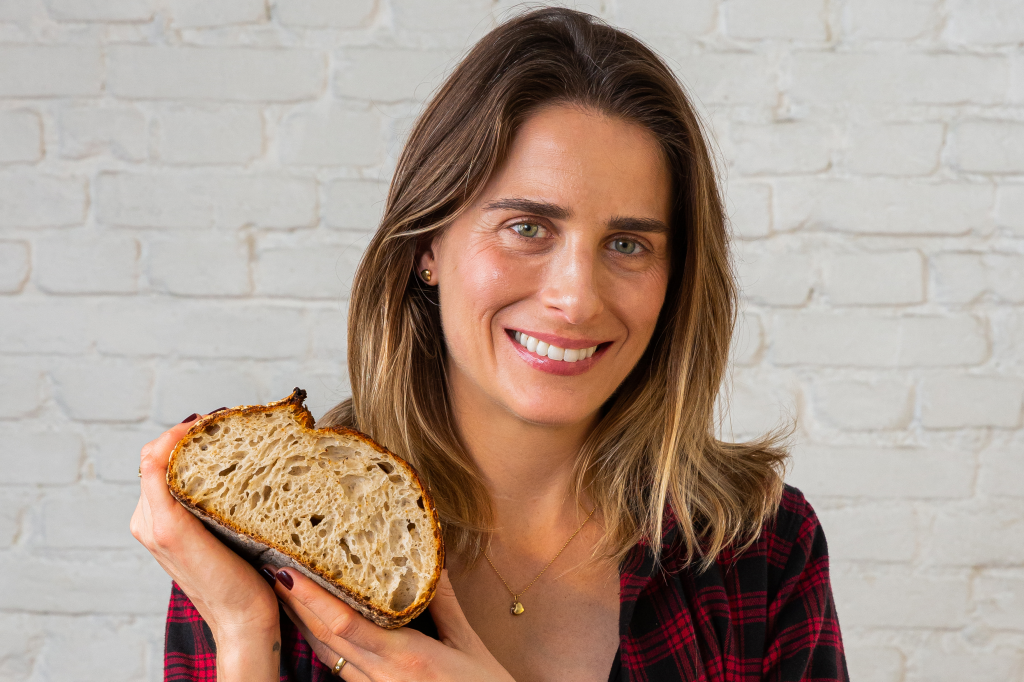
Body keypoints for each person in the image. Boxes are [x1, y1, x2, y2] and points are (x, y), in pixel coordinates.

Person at [132, 7, 848, 682]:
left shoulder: (758, 549)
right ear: (426, 245)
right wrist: (244, 634)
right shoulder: (258, 543)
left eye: (628, 243)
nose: (576, 297)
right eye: (528, 227)